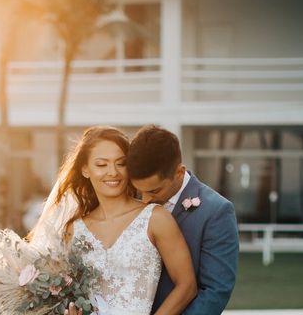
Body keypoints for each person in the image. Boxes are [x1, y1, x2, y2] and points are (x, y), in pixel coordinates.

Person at [36, 126, 197, 315]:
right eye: (101, 165)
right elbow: (64, 293)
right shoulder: (74, 229)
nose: (112, 172)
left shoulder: (156, 218)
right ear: (85, 170)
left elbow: (187, 286)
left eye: (121, 163)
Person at [127, 125, 239, 315]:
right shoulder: (127, 200)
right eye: (139, 190)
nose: (144, 199)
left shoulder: (217, 212)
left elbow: (215, 292)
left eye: (154, 191)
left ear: (179, 173)